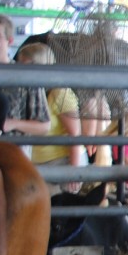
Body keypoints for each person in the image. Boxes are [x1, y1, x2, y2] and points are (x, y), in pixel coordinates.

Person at [15, 43, 86, 192]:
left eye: (26, 67)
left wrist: (73, 173)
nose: (21, 71)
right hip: (36, 166)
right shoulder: (29, 91)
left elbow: (75, 134)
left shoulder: (60, 92)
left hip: (61, 165)